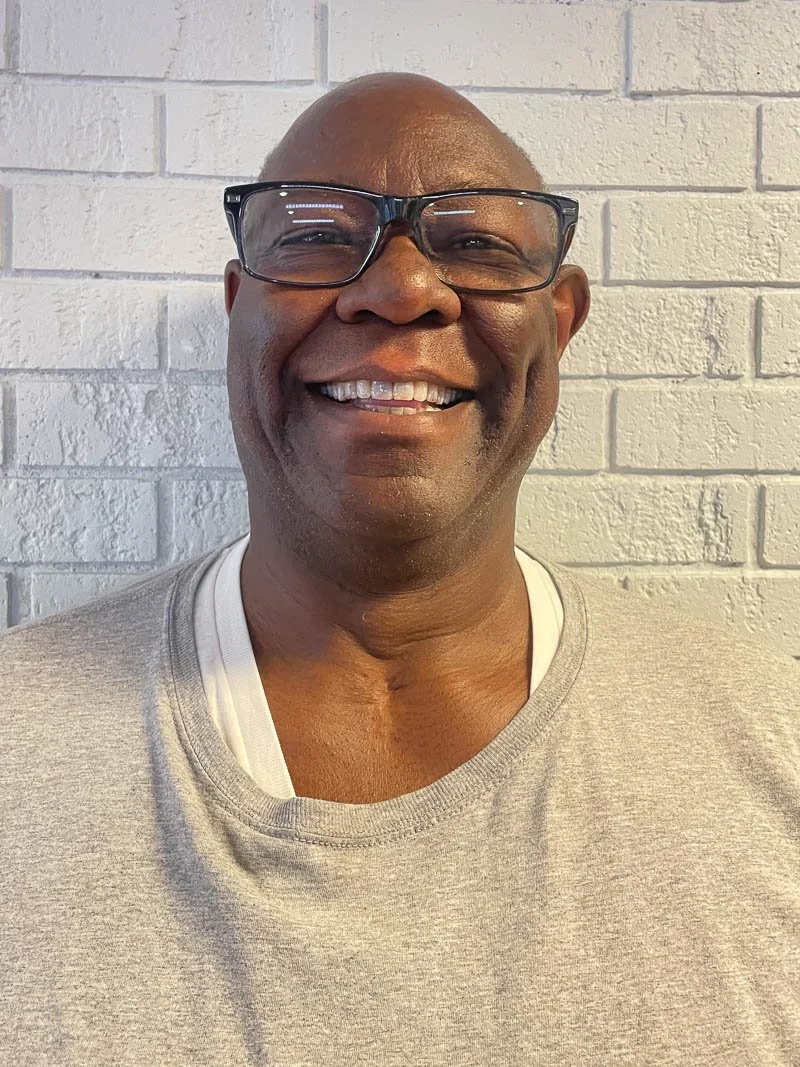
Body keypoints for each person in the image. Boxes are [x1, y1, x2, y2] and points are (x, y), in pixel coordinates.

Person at [1, 72, 798, 1065]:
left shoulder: (770, 748)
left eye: (478, 245)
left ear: (559, 321)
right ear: (238, 306)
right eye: (316, 236)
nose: (400, 288)